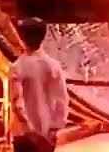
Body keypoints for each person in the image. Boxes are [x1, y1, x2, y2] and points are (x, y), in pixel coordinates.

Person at [10, 17, 68, 152]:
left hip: (25, 136)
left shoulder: (18, 67)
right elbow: (62, 100)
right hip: (48, 133)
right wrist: (54, 128)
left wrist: (32, 133)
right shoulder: (54, 66)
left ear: (22, 39)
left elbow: (17, 104)